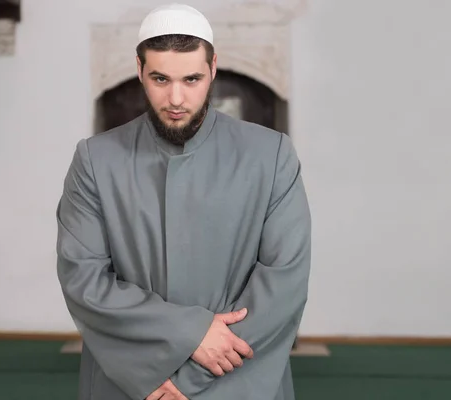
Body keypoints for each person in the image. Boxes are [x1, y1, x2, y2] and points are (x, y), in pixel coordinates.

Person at [56, 3, 312, 400]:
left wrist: (183, 383)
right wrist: (190, 333)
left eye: (191, 79)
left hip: (238, 382)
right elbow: (83, 279)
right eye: (160, 78)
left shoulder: (271, 154)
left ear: (213, 69)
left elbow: (284, 284)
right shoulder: (95, 159)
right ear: (139, 70)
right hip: (129, 382)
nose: (176, 98)